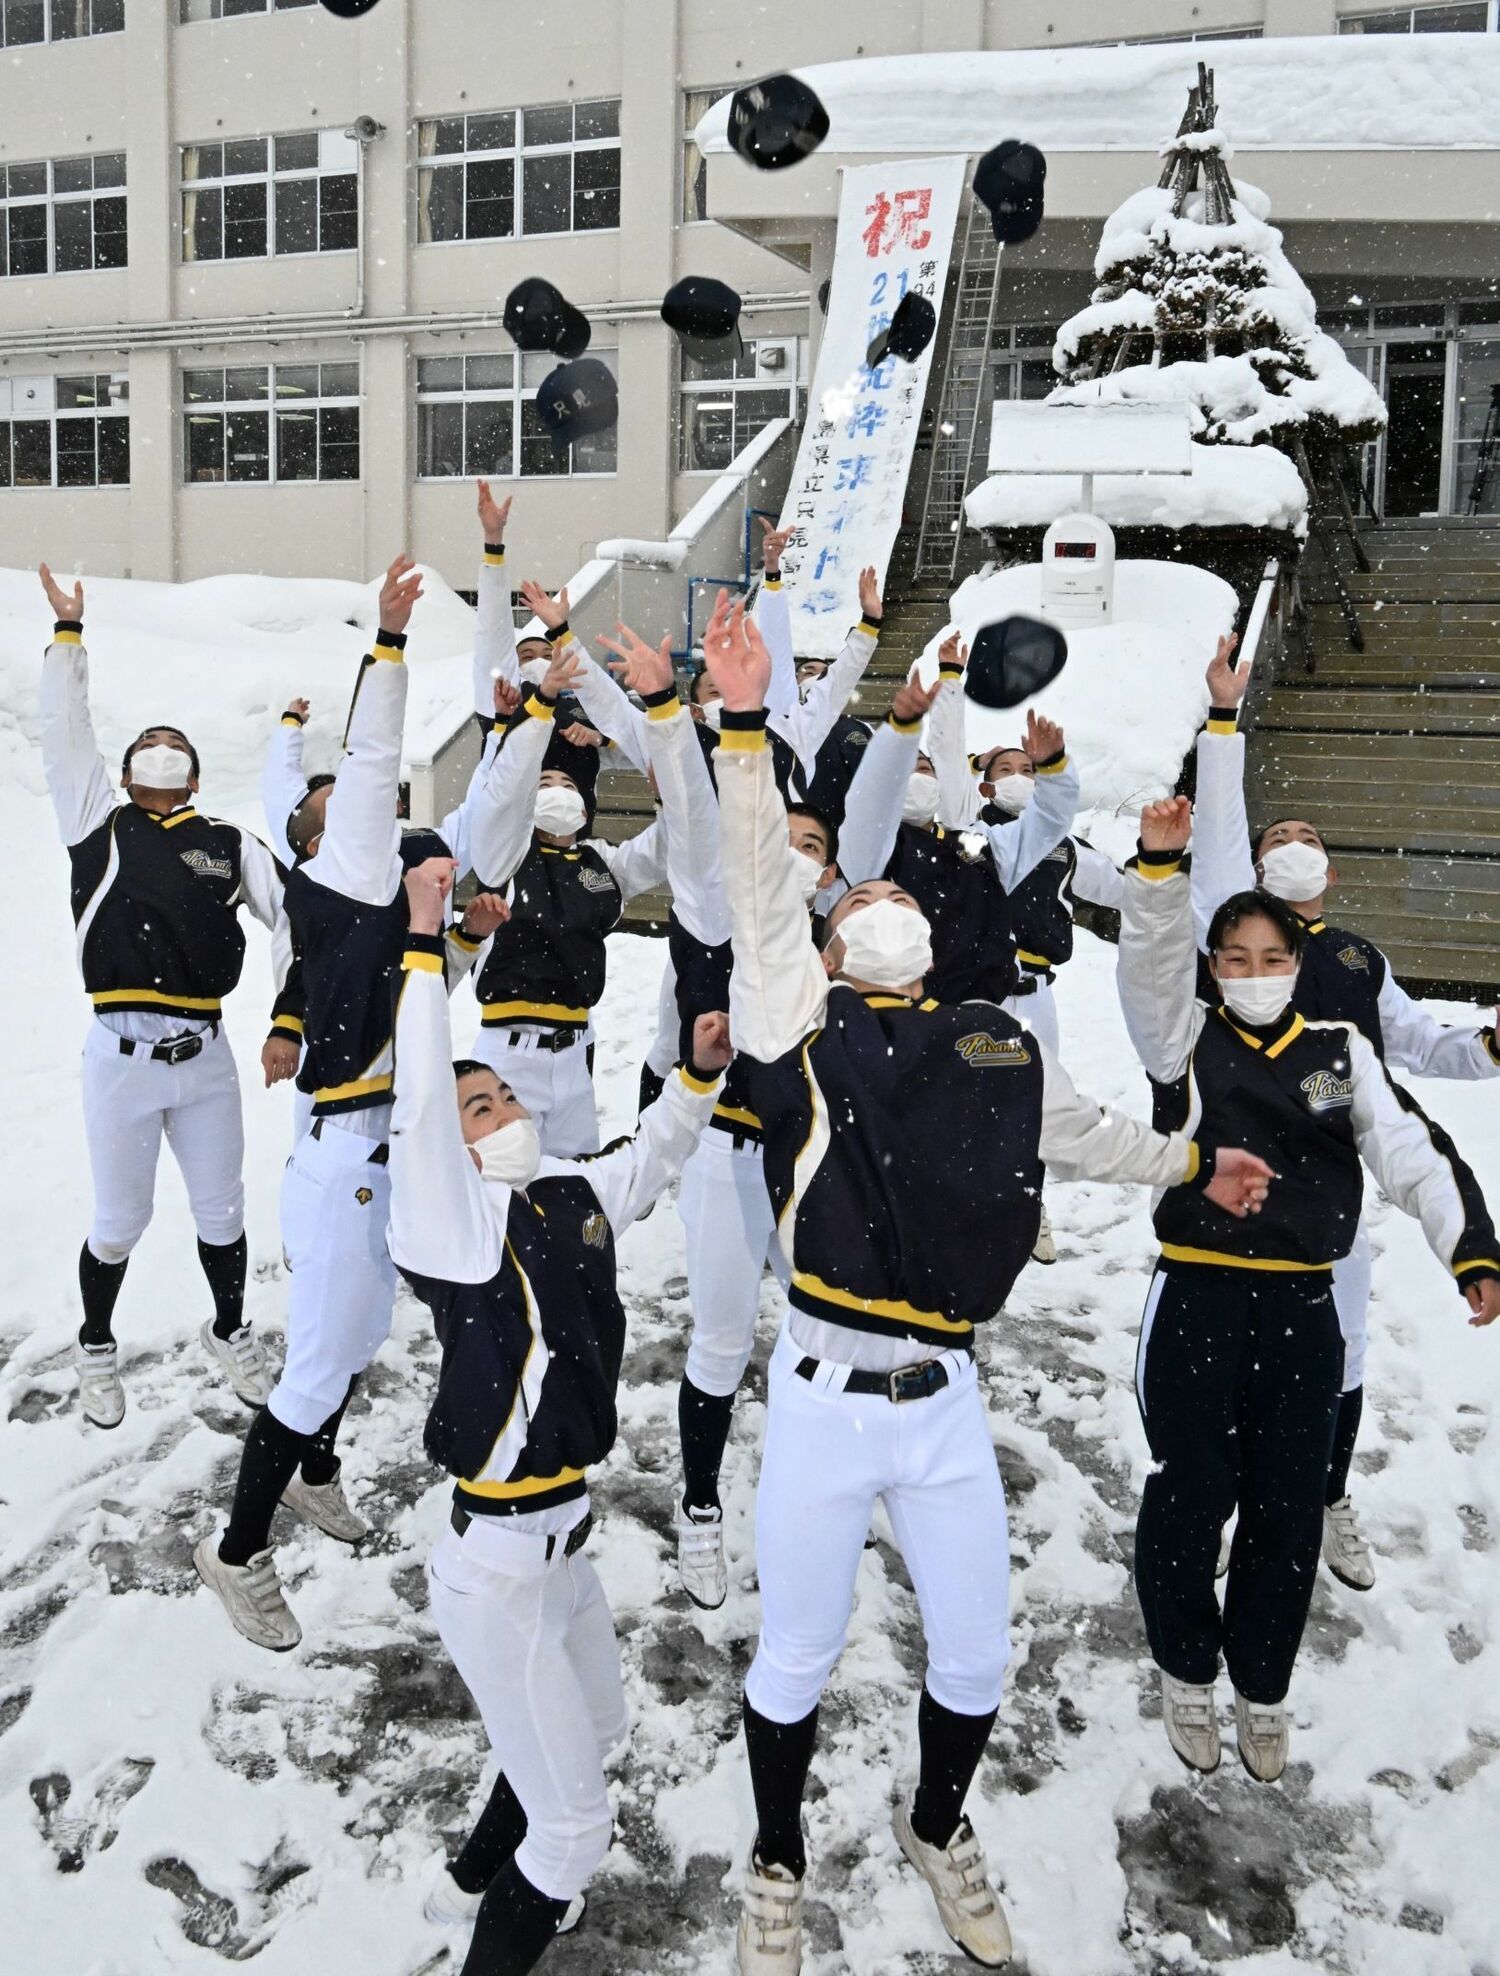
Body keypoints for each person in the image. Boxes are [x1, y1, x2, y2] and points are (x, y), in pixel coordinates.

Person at [698, 599, 1271, 1972]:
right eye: (864, 902)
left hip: (946, 1400)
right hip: (825, 1397)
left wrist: (1198, 1162)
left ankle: (937, 1822)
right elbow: (763, 886)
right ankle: (775, 1860)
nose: (887, 905)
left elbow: (1096, 1136)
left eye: (901, 899)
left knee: (973, 1657)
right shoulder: (800, 1024)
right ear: (833, 947)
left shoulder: (996, 1045)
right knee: (795, 1656)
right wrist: (742, 725)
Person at [386, 852, 731, 1976]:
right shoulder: (452, 1230)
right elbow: (420, 1100)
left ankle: (469, 1885)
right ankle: (513, 1907)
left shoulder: (568, 1193)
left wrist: (697, 1077)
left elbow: (654, 1155)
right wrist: (424, 942)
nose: (505, 1108)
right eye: (478, 1104)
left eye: (505, 1095)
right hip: (496, 1567)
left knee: (598, 1732)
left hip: (564, 1549)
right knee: (576, 1830)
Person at [1119, 796, 1500, 1782]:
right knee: (1190, 1492)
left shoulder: (1338, 1052)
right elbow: (1147, 970)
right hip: (1198, 1296)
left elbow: (1409, 1152)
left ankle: (1262, 1682)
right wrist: (1158, 873)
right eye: (1234, 959)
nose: (1254, 973)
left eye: (1271, 958)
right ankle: (1186, 1667)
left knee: (1287, 1507)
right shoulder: (1184, 1042)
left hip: (1302, 1306)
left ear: (1299, 961)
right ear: (1213, 968)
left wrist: (1470, 1246)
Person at [194, 557, 509, 1650]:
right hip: (344, 1156)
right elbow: (374, 763)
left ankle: (314, 1470)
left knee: (364, 1330)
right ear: (322, 840)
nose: (380, 818)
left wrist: (462, 940)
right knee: (320, 1361)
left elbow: (410, 1002)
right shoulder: (338, 883)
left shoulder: (384, 914)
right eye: (346, 814)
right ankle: (238, 1550)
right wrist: (388, 643)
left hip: (388, 1147)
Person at [1189, 637, 1500, 1590]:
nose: (1292, 841)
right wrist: (1223, 726)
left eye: (1307, 835)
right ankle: (1224, 1502)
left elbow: (1418, 1044)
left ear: (1329, 871)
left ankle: (1325, 1494)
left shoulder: (1361, 958)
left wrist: (1487, 1047)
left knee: (1341, 1352)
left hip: (1331, 1181)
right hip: (1230, 1176)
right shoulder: (1233, 936)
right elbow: (1215, 845)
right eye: (1277, 834)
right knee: (1225, 1359)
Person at [590, 614, 841, 1610]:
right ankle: (700, 1502)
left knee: (828, 1334)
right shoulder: (710, 907)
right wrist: (663, 709)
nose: (795, 851)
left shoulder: (841, 935)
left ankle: (816, 1496)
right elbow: (698, 811)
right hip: (729, 1154)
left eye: (813, 843)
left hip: (812, 1163)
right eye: (786, 836)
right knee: (724, 1343)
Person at [37, 562, 291, 1428]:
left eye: (174, 743)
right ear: (126, 769)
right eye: (148, 741)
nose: (161, 747)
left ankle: (230, 1330)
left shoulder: (228, 841)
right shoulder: (97, 826)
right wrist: (68, 637)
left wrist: (288, 1017)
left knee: (223, 1211)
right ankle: (95, 1344)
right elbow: (64, 733)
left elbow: (295, 920)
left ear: (193, 775)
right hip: (121, 1058)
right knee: (120, 1221)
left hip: (205, 1056)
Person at [458, 635, 669, 1158]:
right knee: (502, 1180)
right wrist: (536, 707)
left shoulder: (600, 862)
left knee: (573, 1185)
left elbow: (663, 849)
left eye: (568, 784)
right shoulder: (504, 856)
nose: (557, 788)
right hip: (509, 1054)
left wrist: (669, 794)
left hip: (573, 1054)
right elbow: (501, 791)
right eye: (545, 782)